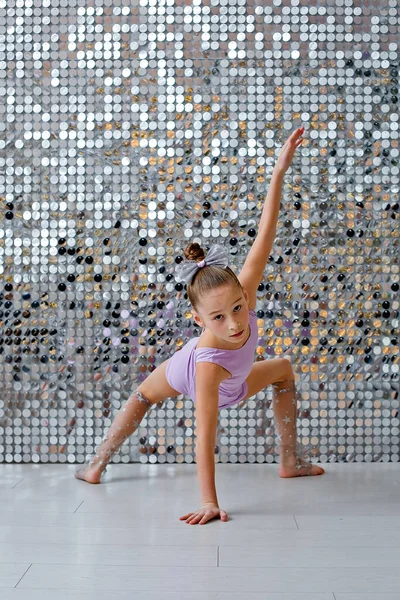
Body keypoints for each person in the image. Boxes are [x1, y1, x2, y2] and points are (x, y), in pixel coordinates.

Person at [75, 126, 325, 524]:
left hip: (238, 380)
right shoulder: (206, 365)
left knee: (283, 370)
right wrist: (209, 501)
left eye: (239, 309)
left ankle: (290, 460)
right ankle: (97, 463)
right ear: (198, 320)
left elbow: (266, 234)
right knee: (142, 397)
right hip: (193, 372)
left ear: (244, 296)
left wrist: (278, 173)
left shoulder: (243, 290)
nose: (235, 324)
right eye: (219, 317)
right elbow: (205, 439)